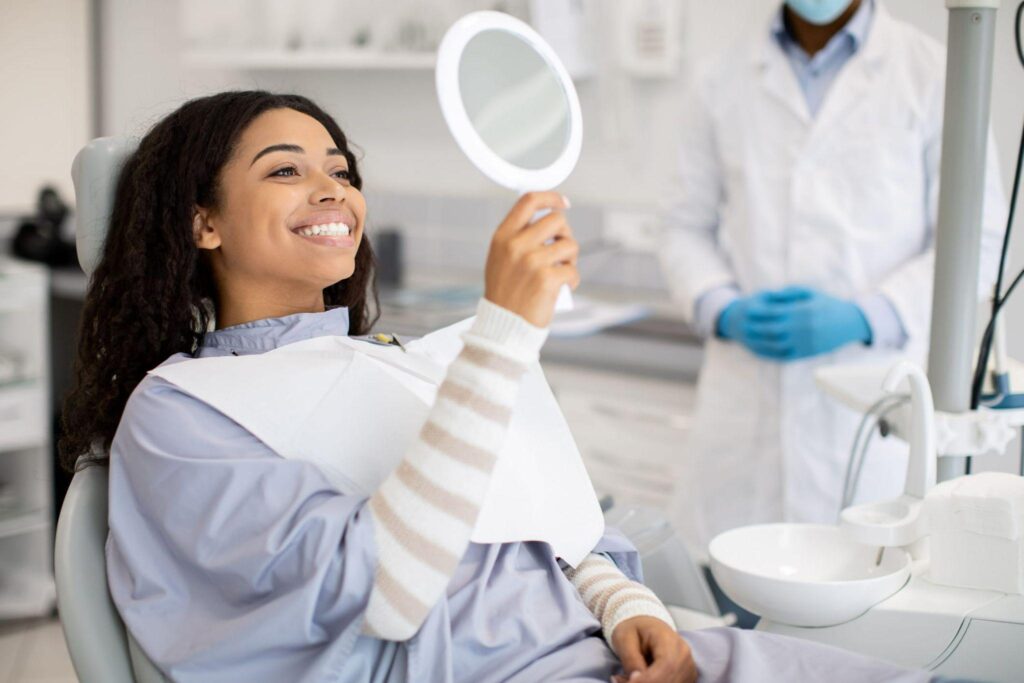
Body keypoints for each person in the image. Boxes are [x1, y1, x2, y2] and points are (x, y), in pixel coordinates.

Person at [61, 91, 935, 682]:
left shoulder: (388, 359)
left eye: (341, 167)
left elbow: (544, 523)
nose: (332, 187)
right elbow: (385, 588)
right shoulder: (179, 413)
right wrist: (503, 334)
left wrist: (628, 607)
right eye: (286, 169)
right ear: (201, 222)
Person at [659, 0, 1006, 556]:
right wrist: (721, 307)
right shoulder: (720, 78)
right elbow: (682, 226)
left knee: (870, 603)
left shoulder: (934, 73)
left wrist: (869, 316)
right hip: (744, 418)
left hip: (874, 406)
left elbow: (977, 240)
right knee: (731, 612)